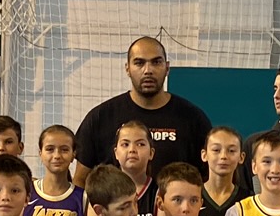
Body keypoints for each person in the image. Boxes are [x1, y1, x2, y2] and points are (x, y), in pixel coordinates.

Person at [72, 36, 213, 174]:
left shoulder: (193, 119)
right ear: (127, 68)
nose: (148, 70)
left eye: (156, 62)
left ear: (167, 67)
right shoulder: (100, 118)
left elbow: (207, 179)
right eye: (139, 63)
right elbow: (81, 180)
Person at [28, 125, 87, 216]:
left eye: (64, 150)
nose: (57, 156)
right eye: (50, 149)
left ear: (73, 155)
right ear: (40, 153)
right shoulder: (27, 192)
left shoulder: (83, 198)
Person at [198, 126, 250, 216]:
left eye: (231, 151)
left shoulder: (248, 201)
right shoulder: (191, 198)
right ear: (204, 155)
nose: (223, 156)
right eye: (216, 150)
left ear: (241, 157)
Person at [113, 119, 159, 216]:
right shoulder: (105, 192)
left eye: (140, 144)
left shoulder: (159, 192)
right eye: (125, 144)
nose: (132, 149)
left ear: (151, 153)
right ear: (116, 153)